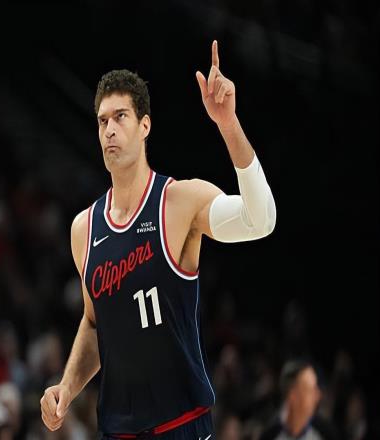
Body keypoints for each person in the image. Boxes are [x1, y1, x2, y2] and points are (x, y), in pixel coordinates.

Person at [40, 40, 277, 439]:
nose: (109, 129)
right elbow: (95, 325)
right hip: (119, 430)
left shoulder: (179, 202)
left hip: (181, 424)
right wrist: (66, 387)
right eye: (102, 121)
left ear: (145, 126)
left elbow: (261, 220)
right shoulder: (84, 228)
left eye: (120, 117)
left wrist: (228, 124)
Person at [259, 360, 338, 440]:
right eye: (310, 390)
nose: (318, 395)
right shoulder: (269, 435)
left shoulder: (327, 433)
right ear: (292, 396)